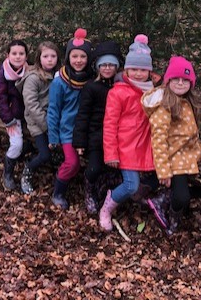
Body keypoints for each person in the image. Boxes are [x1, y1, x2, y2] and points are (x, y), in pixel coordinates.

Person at [99, 34, 157, 231]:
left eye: (143, 69)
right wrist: (111, 153)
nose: (138, 73)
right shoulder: (118, 92)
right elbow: (109, 124)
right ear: (126, 69)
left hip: (146, 146)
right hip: (126, 147)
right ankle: (107, 207)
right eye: (134, 69)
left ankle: (145, 205)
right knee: (131, 185)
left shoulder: (152, 91)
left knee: (156, 180)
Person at [141, 56, 201, 235]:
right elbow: (158, 139)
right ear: (168, 80)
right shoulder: (165, 105)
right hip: (173, 158)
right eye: (176, 79)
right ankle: (171, 216)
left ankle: (165, 198)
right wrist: (164, 171)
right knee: (182, 196)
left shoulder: (187, 102)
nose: (180, 83)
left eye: (185, 80)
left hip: (187, 155)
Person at [73, 40, 123, 214]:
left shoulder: (120, 88)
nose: (107, 68)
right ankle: (89, 190)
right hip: (95, 137)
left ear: (117, 67)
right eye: (103, 65)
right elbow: (83, 115)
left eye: (111, 65)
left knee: (114, 171)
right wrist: (80, 142)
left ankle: (103, 192)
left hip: (117, 138)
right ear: (98, 67)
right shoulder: (91, 88)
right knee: (94, 168)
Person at [47, 28, 93, 210]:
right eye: (74, 56)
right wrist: (53, 136)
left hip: (88, 129)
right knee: (72, 163)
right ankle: (58, 192)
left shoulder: (91, 80)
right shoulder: (60, 82)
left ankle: (93, 192)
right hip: (67, 131)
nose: (79, 61)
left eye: (82, 56)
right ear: (68, 58)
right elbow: (53, 110)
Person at [18, 41, 61, 194]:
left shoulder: (58, 76)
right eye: (46, 56)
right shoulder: (33, 78)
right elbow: (31, 104)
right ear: (39, 58)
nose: (50, 59)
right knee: (44, 154)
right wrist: (47, 126)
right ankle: (28, 171)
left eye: (53, 56)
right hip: (37, 121)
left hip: (53, 119)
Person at [0, 40, 28, 190]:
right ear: (7, 55)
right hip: (12, 115)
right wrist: (8, 119)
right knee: (16, 144)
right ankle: (7, 173)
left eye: (21, 53)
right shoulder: (3, 74)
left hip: (29, 113)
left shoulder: (29, 70)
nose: (18, 57)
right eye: (14, 53)